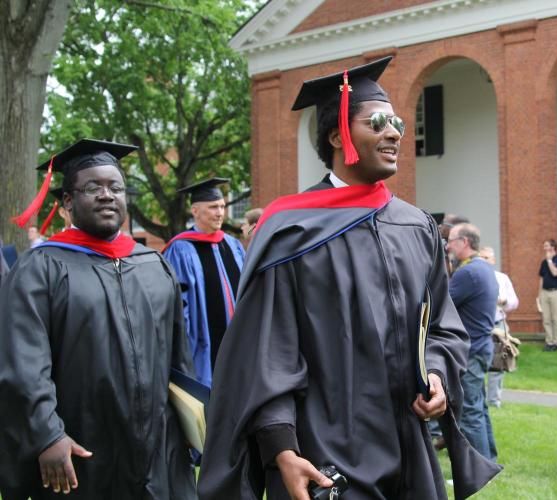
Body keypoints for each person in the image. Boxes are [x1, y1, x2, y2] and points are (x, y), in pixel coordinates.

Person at [198, 56, 500, 500]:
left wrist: (436, 375)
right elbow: (268, 354)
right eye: (377, 122)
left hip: (409, 448)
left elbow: (443, 327)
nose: (394, 132)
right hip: (322, 453)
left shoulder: (415, 226)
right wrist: (282, 447)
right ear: (338, 135)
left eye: (395, 122)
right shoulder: (291, 230)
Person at [0, 139, 196, 499]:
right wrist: (47, 434)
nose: (107, 195)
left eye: (115, 187)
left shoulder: (154, 265)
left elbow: (178, 361)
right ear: (68, 203)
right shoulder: (40, 268)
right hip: (80, 451)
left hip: (157, 447)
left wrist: (191, 425)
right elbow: (23, 364)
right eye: (93, 187)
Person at [162, 178, 246, 386]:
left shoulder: (232, 245)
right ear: (195, 210)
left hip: (238, 341)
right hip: (202, 345)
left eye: (222, 207)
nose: (219, 213)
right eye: (213, 207)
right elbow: (180, 307)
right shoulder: (180, 249)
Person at [448, 224, 500, 461]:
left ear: (465, 242)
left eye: (451, 240)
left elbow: (442, 303)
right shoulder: (484, 268)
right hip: (481, 348)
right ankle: (489, 460)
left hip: (470, 350)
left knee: (470, 410)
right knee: (479, 407)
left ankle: (479, 467)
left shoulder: (468, 272)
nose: (448, 246)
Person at [478, 246, 519, 408]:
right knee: (478, 362)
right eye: (482, 258)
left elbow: (514, 302)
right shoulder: (475, 277)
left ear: (493, 260)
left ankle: (494, 400)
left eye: (487, 258)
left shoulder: (502, 278)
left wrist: (504, 302)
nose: (485, 261)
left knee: (498, 363)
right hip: (480, 325)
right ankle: (478, 399)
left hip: (499, 324)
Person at [538, 239, 557, 351]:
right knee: (546, 319)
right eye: (544, 245)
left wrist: (550, 261)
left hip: (556, 292)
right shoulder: (543, 262)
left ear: (553, 247)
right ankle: (549, 342)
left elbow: (555, 273)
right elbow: (541, 278)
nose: (544, 248)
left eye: (546, 246)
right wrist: (539, 294)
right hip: (545, 292)